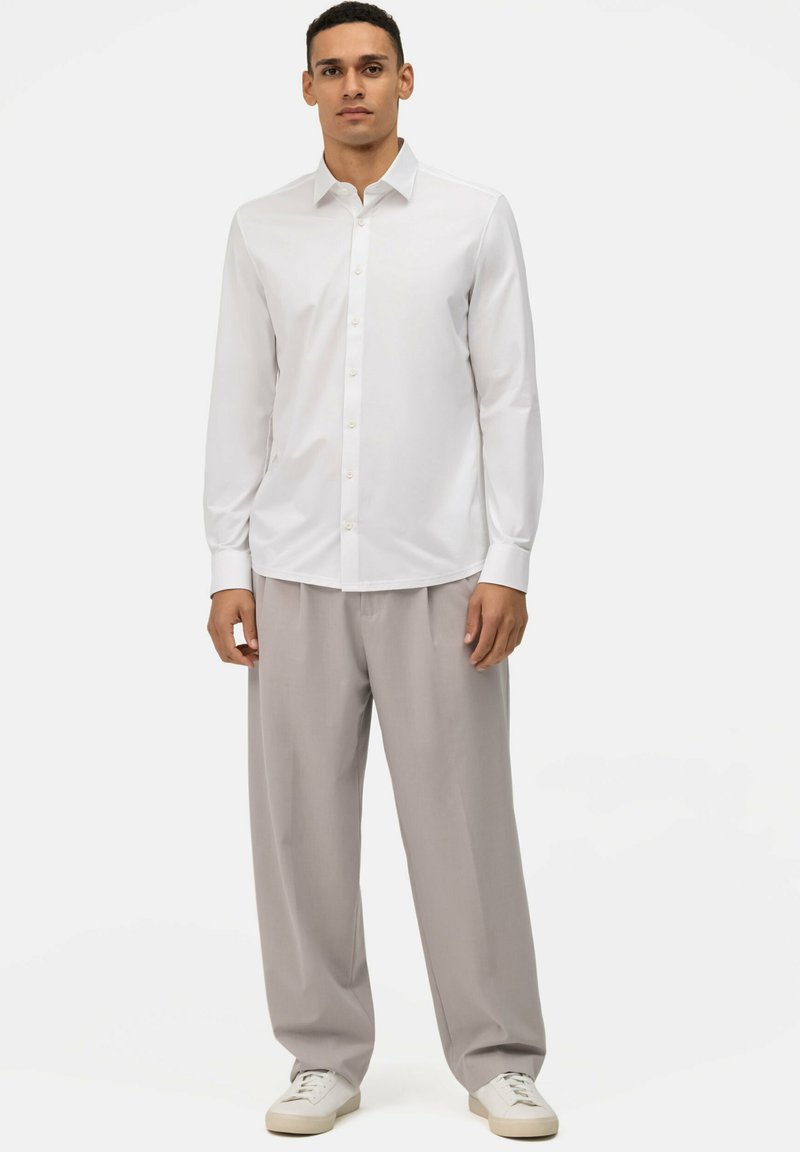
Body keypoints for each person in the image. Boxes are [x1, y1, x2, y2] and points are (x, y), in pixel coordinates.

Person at [203, 1, 558, 1139]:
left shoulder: (473, 218)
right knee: (299, 830)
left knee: (463, 827)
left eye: (370, 66)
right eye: (331, 69)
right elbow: (241, 400)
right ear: (305, 87)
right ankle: (322, 1056)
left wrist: (508, 559)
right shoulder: (261, 229)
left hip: (439, 572)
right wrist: (227, 563)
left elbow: (509, 396)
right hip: (295, 568)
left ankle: (497, 1058)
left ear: (407, 79)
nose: (351, 85)